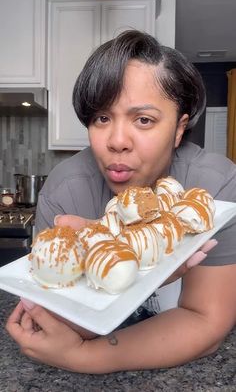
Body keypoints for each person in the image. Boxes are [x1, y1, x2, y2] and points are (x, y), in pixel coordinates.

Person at [6, 30, 236, 373]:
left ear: (178, 128)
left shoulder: (214, 186)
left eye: (144, 120)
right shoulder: (65, 191)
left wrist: (88, 357)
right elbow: (51, 323)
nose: (116, 141)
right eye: (102, 118)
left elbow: (206, 323)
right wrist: (107, 251)